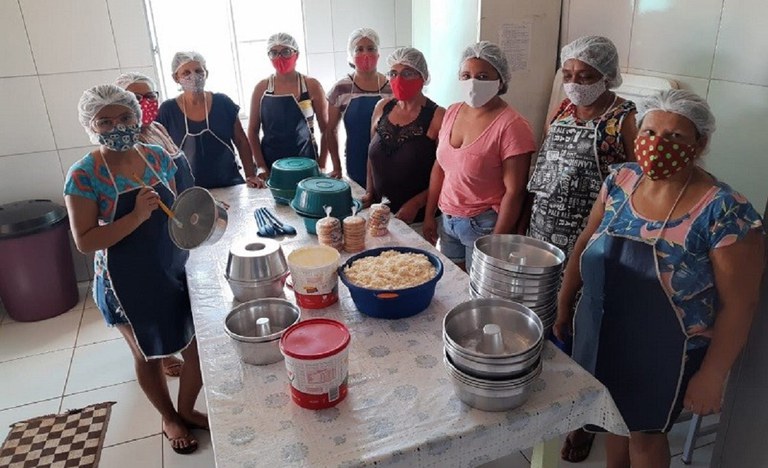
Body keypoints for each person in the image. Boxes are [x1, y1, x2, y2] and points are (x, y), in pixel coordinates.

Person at [554, 89, 764, 468]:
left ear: (699, 143)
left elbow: (740, 303)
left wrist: (713, 375)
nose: (657, 145)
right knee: (611, 422)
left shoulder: (724, 211)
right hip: (602, 331)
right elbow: (586, 241)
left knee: (646, 438)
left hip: (666, 350)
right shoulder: (620, 181)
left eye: (674, 137)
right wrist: (565, 301)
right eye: (650, 133)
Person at [64, 85, 208, 454]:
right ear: (91, 126)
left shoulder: (159, 157)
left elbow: (175, 215)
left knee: (195, 349)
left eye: (125, 117)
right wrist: (137, 215)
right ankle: (169, 416)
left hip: (170, 268)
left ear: (138, 116)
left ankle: (187, 408)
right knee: (149, 353)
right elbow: (86, 241)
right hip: (123, 281)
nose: (118, 127)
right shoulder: (84, 175)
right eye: (105, 121)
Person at [525, 35, 638, 463]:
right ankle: (549, 402)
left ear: (607, 76)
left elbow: (635, 187)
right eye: (569, 75)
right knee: (548, 324)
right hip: (544, 235)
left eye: (586, 77)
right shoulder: (565, 108)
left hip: (590, 244)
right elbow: (547, 167)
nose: (575, 84)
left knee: (582, 335)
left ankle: (583, 422)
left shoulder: (623, 119)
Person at [423, 41, 536, 271]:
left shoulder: (512, 126)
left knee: (477, 296)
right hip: (448, 220)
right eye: (466, 75)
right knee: (454, 286)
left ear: (500, 79)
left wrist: (496, 243)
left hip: (483, 225)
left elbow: (515, 192)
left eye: (483, 76)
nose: (473, 82)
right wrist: (430, 215)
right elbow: (441, 166)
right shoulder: (453, 111)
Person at [114, 72, 191, 378]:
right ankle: (156, 355)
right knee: (144, 320)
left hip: (170, 231)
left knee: (173, 298)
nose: (146, 104)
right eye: (136, 99)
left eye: (150, 96)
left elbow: (178, 175)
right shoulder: (119, 149)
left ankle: (170, 344)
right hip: (139, 242)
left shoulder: (157, 130)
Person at [363, 47, 444, 230]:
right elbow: (371, 155)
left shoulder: (437, 115)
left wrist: (418, 205)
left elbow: (445, 173)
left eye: (407, 73)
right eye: (393, 73)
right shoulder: (382, 107)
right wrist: (369, 192)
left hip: (417, 218)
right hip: (379, 213)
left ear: (422, 77)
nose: (398, 80)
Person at [156, 51, 260, 189]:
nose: (193, 76)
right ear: (176, 77)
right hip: (190, 190)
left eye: (198, 71)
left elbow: (241, 141)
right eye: (186, 73)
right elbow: (161, 153)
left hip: (230, 183)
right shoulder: (168, 110)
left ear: (206, 73)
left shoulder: (223, 102)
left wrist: (250, 175)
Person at [248, 33, 334, 180]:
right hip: (272, 165)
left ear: (297, 54)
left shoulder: (311, 86)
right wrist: (261, 165)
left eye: (286, 52)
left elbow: (326, 129)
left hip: (307, 161)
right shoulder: (262, 88)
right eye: (274, 53)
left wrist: (322, 164)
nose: (279, 57)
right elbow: (252, 130)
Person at [326, 28, 392, 187]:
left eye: (371, 48)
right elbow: (330, 130)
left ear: (378, 53)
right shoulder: (340, 88)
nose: (366, 54)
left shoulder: (391, 87)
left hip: (389, 164)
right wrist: (336, 166)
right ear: (351, 54)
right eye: (359, 49)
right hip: (356, 163)